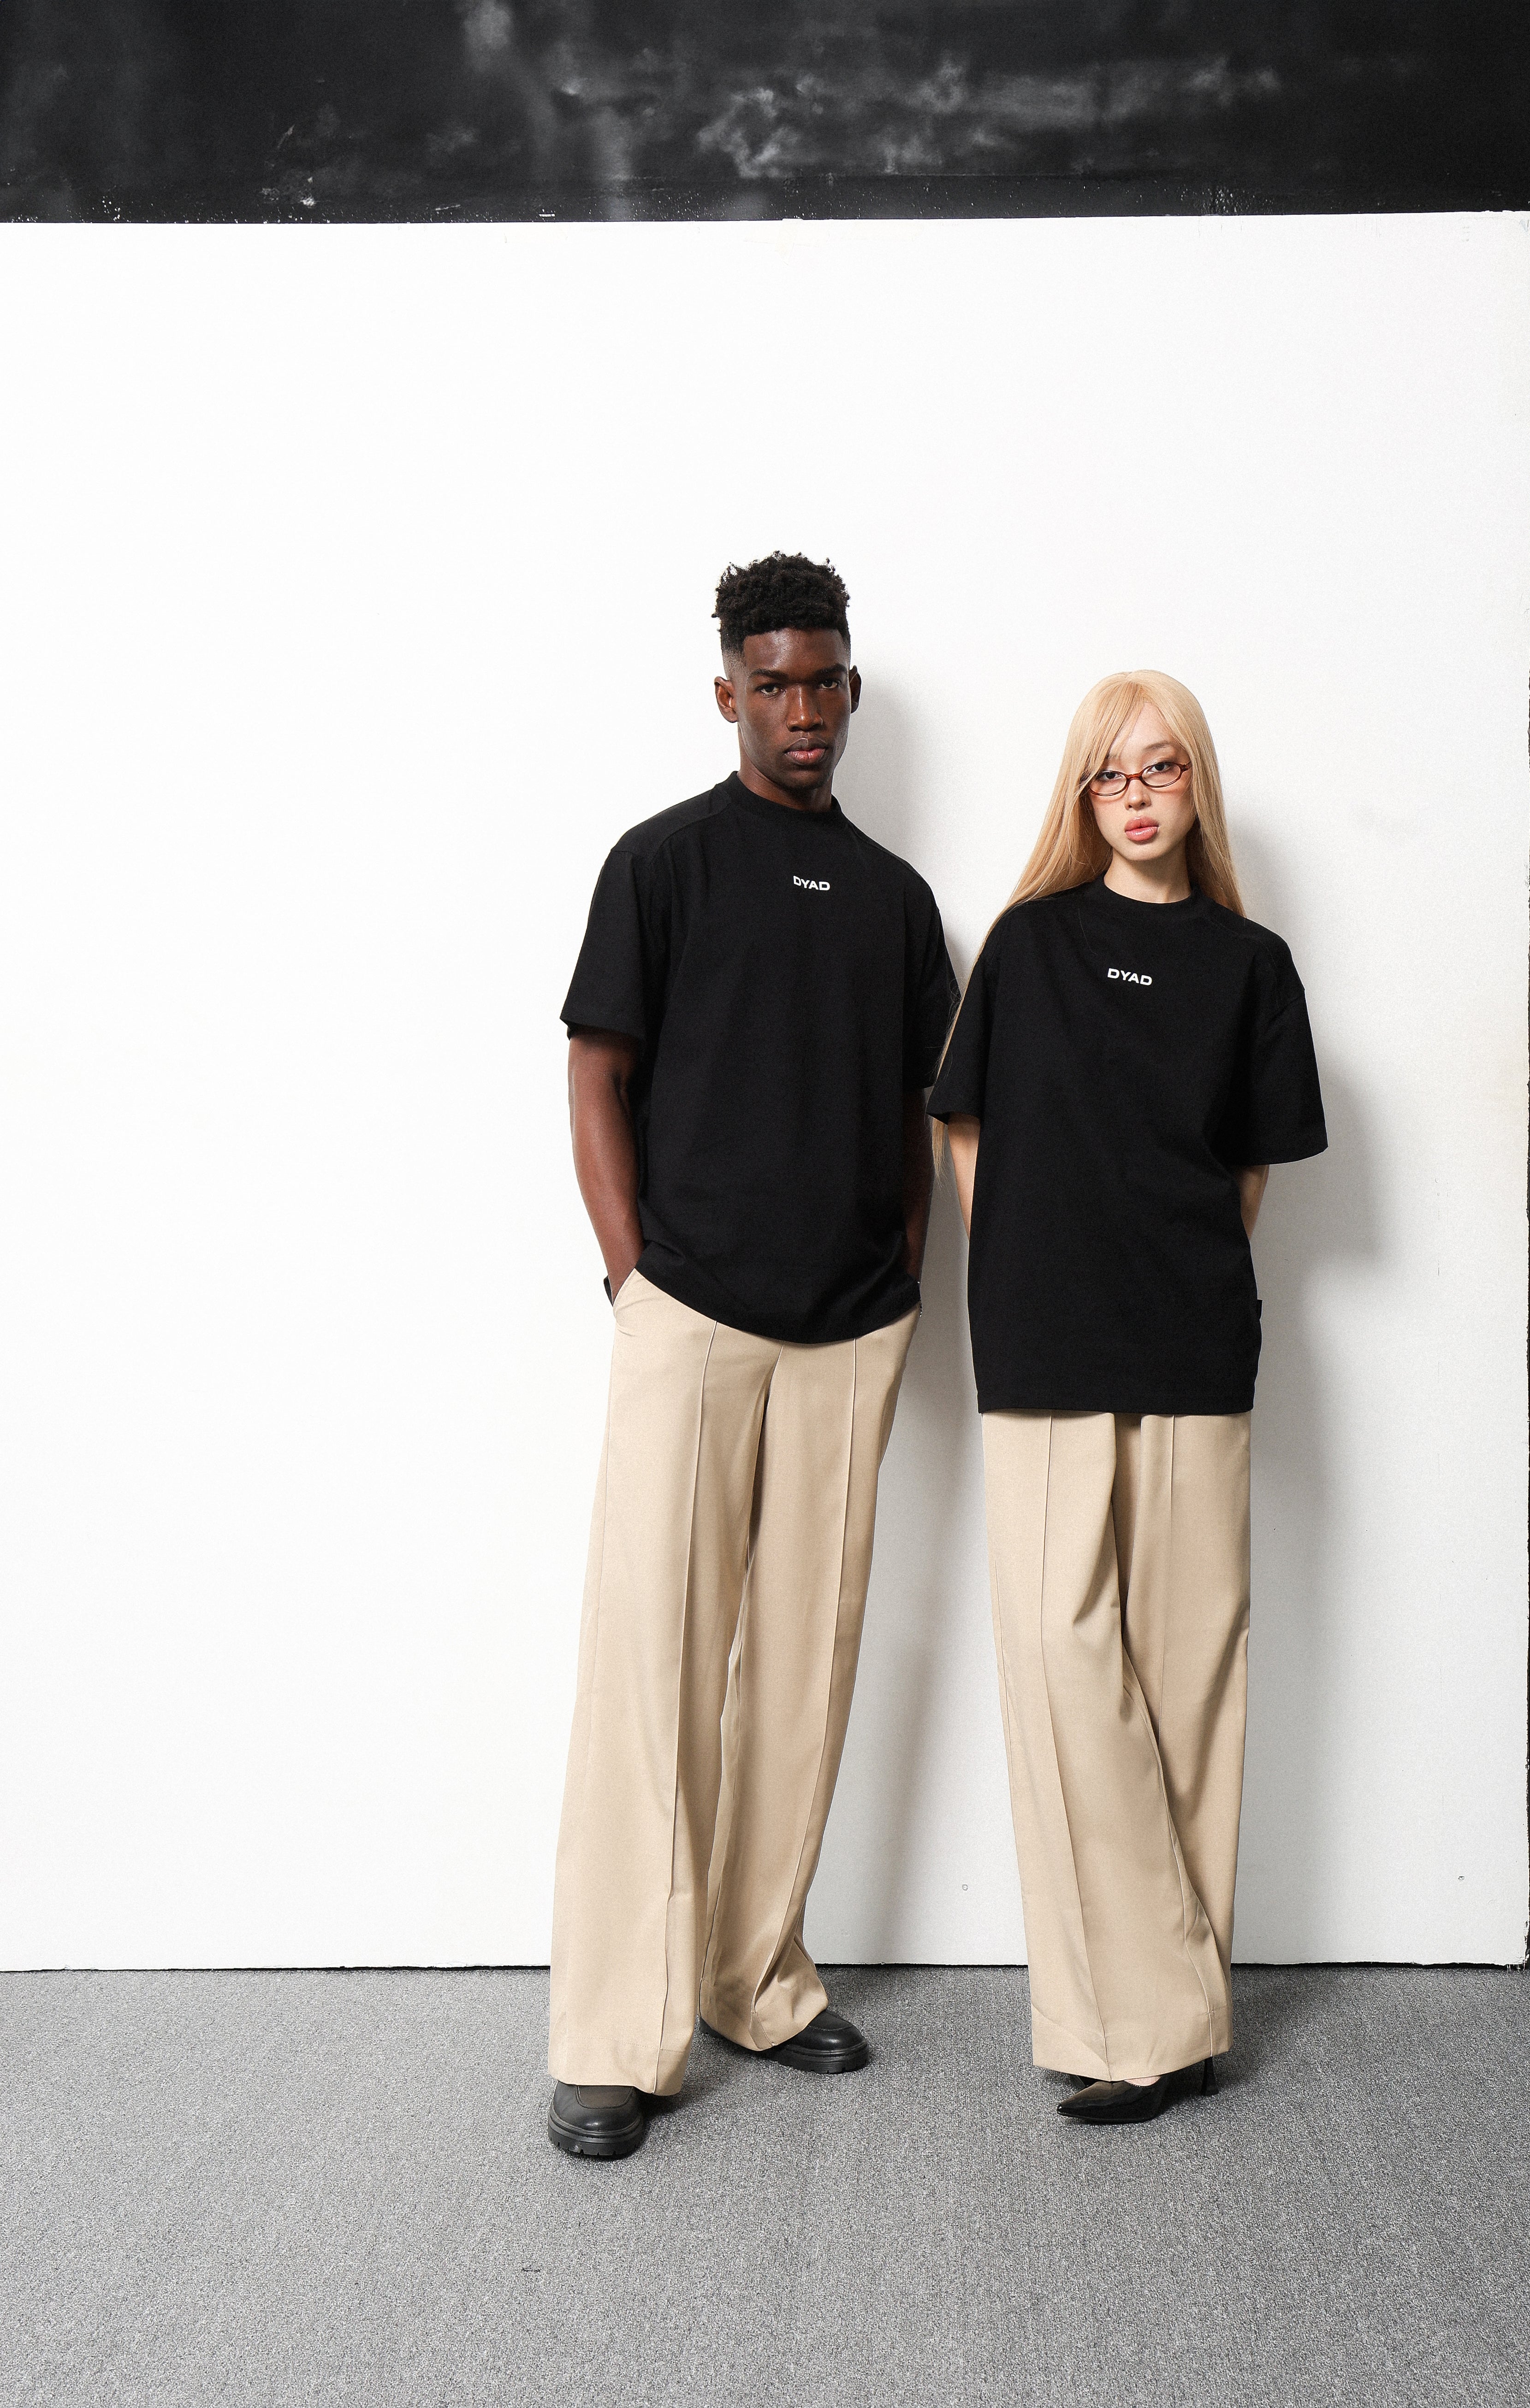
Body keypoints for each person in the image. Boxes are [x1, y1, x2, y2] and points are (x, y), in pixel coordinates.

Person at [546, 553, 956, 2161]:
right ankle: (612, 2035)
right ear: (728, 692)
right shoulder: (662, 863)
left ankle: (755, 1979)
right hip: (693, 1317)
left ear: (852, 691)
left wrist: (903, 1278)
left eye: (823, 681)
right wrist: (632, 1278)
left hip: (851, 1333)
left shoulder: (899, 902)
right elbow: (596, 1072)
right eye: (772, 683)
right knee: (650, 1670)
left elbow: (925, 1112)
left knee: (803, 1671)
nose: (801, 709)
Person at [929, 670, 1326, 2126]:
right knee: (1059, 1649)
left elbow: (1250, 1167)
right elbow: (963, 1126)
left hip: (1194, 1343)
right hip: (1043, 1342)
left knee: (1189, 1673)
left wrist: (1175, 1269)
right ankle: (1164, 2006)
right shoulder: (1028, 945)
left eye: (1164, 768)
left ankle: (1164, 2024)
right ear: (1083, 793)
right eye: (1113, 772)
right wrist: (1025, 1263)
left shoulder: (1252, 965)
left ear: (1197, 783)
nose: (1140, 795)